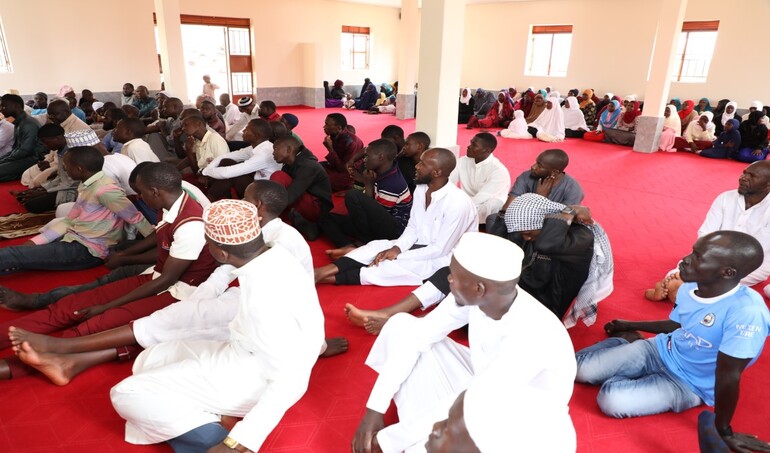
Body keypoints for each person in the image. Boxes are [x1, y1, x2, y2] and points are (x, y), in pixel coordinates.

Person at [105, 199, 325, 453]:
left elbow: (288, 379)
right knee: (150, 358)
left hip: (254, 380)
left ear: (221, 253)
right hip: (243, 354)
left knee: (126, 393)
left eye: (207, 244)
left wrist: (240, 442)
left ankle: (211, 435)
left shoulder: (262, 297)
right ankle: (209, 414)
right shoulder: (275, 255)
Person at [350, 232, 577, 453]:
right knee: (401, 327)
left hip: (520, 429)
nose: (448, 279)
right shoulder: (482, 298)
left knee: (423, 446)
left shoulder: (531, 336)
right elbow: (417, 337)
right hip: (481, 391)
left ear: (479, 288)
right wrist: (375, 408)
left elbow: (478, 402)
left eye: (454, 276)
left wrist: (388, 441)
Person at [0, 163, 217, 379]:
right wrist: (126, 255)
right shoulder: (170, 204)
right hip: (156, 276)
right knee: (72, 306)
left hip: (178, 292)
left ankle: (13, 366)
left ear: (155, 192)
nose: (139, 197)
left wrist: (107, 306)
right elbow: (160, 240)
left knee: (93, 327)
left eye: (141, 193)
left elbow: (166, 280)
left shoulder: (191, 225)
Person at [576, 231, 770, 453]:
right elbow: (678, 324)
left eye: (698, 257)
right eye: (692, 251)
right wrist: (629, 325)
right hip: (660, 349)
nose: (685, 259)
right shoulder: (690, 286)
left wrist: (723, 430)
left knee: (611, 401)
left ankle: (625, 361)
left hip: (689, 384)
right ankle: (626, 343)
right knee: (579, 371)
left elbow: (729, 375)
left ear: (727, 272)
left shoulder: (747, 313)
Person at [314, 148, 477, 287]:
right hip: (417, 244)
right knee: (375, 247)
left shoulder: (457, 203)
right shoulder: (421, 189)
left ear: (437, 172)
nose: (417, 166)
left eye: (422, 164)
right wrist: (396, 249)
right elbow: (413, 227)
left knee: (389, 267)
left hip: (444, 258)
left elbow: (440, 249)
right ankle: (321, 272)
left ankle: (326, 279)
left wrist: (397, 255)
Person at [0, 146, 153, 273]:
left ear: (79, 169)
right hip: (75, 239)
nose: (65, 169)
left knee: (12, 254)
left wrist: (157, 246)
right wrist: (33, 242)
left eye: (67, 166)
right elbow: (69, 221)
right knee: (20, 255)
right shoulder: (88, 185)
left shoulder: (105, 190)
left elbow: (136, 218)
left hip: (89, 250)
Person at [645, 161, 770, 302]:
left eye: (752, 176)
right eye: (744, 173)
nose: (743, 178)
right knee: (691, 265)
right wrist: (706, 256)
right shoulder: (725, 198)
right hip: (710, 254)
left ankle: (673, 286)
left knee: (717, 276)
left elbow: (756, 250)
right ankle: (678, 285)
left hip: (750, 265)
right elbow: (706, 233)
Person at [504, 193, 613, 322]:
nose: (526, 238)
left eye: (527, 233)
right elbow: (498, 229)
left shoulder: (582, 236)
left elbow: (546, 245)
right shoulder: (539, 228)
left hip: (550, 301)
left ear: (541, 221)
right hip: (530, 287)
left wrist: (569, 211)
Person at [320, 139, 412, 257]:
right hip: (377, 221)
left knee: (353, 195)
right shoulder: (384, 168)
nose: (364, 160)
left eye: (367, 156)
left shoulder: (392, 183)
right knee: (326, 217)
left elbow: (373, 216)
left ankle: (364, 242)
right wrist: (363, 179)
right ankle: (348, 246)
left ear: (381, 157)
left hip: (393, 229)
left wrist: (368, 184)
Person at [486, 148, 584, 235]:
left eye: (539, 166)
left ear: (554, 172)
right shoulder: (526, 176)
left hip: (547, 228)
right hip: (520, 219)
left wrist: (540, 199)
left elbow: (562, 221)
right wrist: (537, 201)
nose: (533, 167)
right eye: (536, 162)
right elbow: (507, 208)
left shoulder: (573, 189)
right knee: (493, 219)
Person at [270, 136, 333, 240]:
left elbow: (292, 194)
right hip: (303, 202)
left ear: (289, 149)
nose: (273, 153)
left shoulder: (308, 166)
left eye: (275, 148)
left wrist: (266, 210)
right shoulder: (289, 165)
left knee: (278, 176)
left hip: (318, 209)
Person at [202, 119, 280, 200]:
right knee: (226, 161)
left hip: (264, 193)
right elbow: (227, 156)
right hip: (257, 182)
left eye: (247, 129)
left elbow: (227, 173)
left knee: (231, 175)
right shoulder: (257, 147)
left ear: (256, 135)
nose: (243, 131)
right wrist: (207, 169)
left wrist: (206, 172)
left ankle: (208, 199)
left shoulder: (264, 154)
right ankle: (218, 195)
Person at [449, 132, 510, 222]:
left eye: (474, 145)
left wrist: (460, 208)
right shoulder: (462, 161)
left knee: (492, 205)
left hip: (484, 203)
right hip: (466, 201)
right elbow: (449, 182)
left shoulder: (498, 170)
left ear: (487, 150)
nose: (469, 146)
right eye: (471, 143)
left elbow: (484, 197)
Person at [0, 94, 46, 181]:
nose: (1, 109)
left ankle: (22, 174)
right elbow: (16, 149)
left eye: (4, 107)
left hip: (33, 159)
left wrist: (4, 160)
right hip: (22, 158)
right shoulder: (19, 122)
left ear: (16, 106)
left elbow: (25, 151)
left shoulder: (28, 124)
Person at [321, 112, 364, 191]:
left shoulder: (351, 143)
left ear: (339, 127)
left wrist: (330, 150)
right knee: (314, 166)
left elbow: (344, 169)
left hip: (350, 174)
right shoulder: (335, 135)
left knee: (321, 177)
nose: (324, 127)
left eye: (327, 124)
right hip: (337, 167)